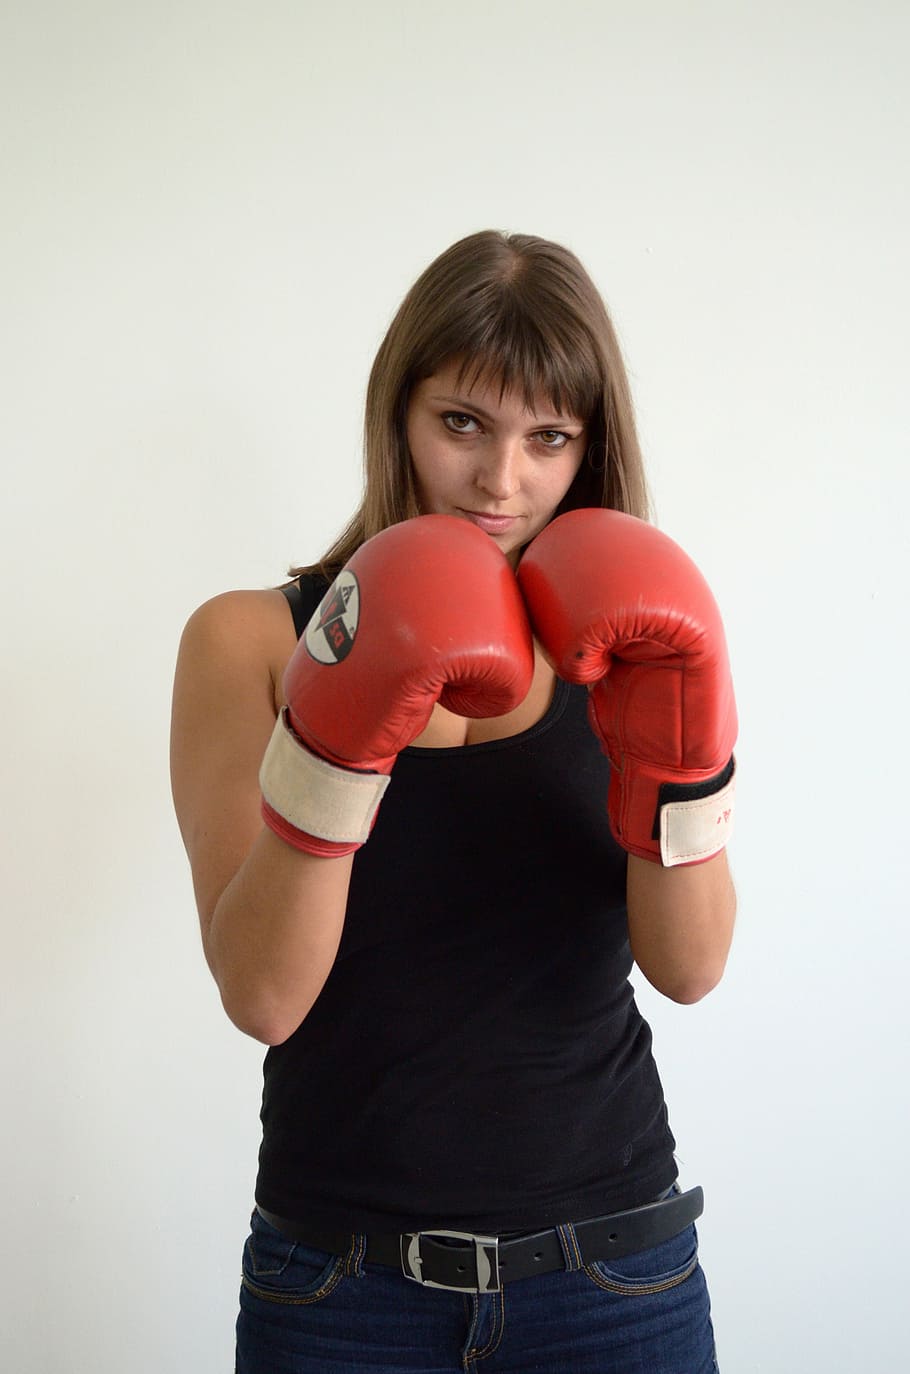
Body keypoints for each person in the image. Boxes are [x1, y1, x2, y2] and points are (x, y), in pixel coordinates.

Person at [170, 230, 737, 1374]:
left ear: (589, 447)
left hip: (613, 1273)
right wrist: (340, 733)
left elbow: (689, 970)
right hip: (340, 1285)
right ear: (400, 413)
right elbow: (265, 997)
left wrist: (680, 754)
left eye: (549, 437)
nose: (501, 479)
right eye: (463, 423)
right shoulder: (250, 642)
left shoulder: (635, 639)